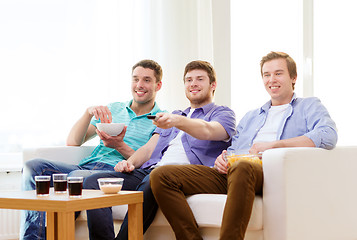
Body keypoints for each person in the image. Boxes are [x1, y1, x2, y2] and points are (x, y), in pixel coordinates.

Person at [150, 51, 338, 240]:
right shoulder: (252, 116)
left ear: (293, 77)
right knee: (161, 176)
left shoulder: (308, 106)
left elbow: (327, 134)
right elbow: (233, 149)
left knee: (243, 166)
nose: (272, 79)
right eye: (267, 74)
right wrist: (222, 159)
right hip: (234, 172)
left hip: (268, 172)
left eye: (278, 73)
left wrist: (274, 146)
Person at [83, 60, 237, 240]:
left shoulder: (223, 113)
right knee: (94, 182)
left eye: (200, 79)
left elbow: (208, 130)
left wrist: (177, 121)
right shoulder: (175, 115)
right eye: (188, 80)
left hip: (184, 175)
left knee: (155, 178)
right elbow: (149, 149)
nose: (193, 83)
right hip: (150, 171)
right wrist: (129, 162)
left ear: (213, 85)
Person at [20, 59, 164, 240]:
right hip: (86, 167)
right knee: (34, 167)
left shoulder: (161, 119)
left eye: (146, 80)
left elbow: (148, 160)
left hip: (119, 172)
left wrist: (119, 145)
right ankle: (34, 238)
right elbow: (73, 141)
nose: (139, 85)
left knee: (77, 179)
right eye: (135, 79)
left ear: (158, 85)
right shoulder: (114, 109)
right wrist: (88, 113)